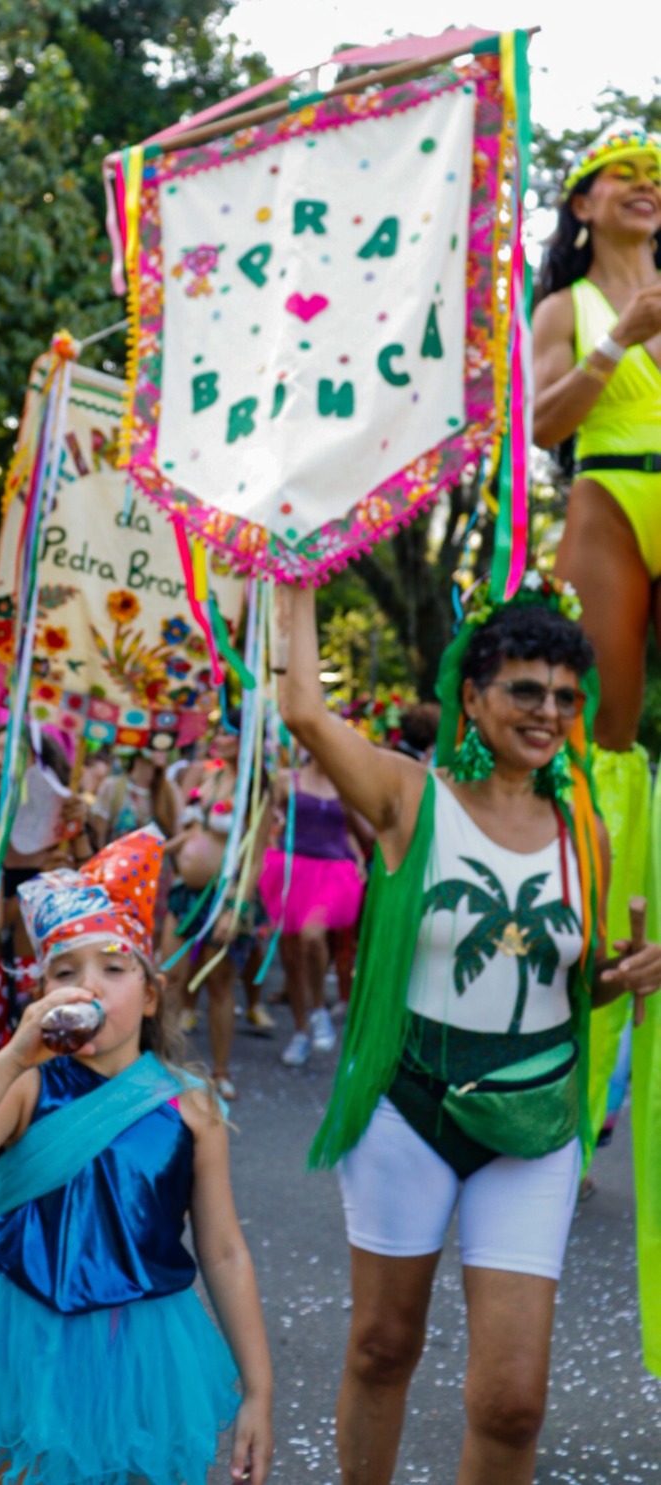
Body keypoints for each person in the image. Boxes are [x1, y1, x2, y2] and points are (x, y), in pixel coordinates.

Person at [277, 574, 661, 1485]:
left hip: (533, 1122)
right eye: (526, 689)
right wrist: (293, 571)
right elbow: (301, 709)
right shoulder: (411, 797)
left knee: (513, 1399)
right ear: (473, 694)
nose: (548, 712)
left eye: (566, 696)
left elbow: (570, 982)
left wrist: (626, 972)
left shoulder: (585, 829)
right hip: (408, 1106)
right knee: (381, 1346)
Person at [0, 827, 274, 1485]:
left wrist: (259, 1389)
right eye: (65, 971)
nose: (90, 986)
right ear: (41, 990)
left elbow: (222, 1250)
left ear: (152, 992)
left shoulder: (190, 1107)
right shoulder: (27, 1085)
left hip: (142, 1342)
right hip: (28, 1329)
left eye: (114, 965)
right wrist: (13, 1054)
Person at [532, 122, 661, 1362]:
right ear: (584, 199)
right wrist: (626, 337)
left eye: (660, 176)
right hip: (610, 487)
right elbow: (541, 418)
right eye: (629, 168)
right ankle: (586, 1072)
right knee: (603, 748)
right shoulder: (569, 300)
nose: (647, 185)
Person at [0, 723, 91, 1300]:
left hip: (48, 997)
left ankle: (39, 1278)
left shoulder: (64, 828)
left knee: (47, 1138)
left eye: (12, 752)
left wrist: (77, 841)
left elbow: (89, 919)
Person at [161, 713, 272, 1098]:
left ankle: (221, 1072)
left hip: (223, 897)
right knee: (169, 978)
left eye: (228, 732)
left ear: (247, 739)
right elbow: (193, 830)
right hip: (184, 895)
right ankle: (166, 1066)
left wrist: (234, 908)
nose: (218, 737)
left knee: (219, 984)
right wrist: (152, 848)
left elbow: (255, 858)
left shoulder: (256, 789)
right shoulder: (208, 776)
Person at [258, 753, 365, 1069]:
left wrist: (358, 857)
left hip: (332, 870)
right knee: (291, 957)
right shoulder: (286, 780)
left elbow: (348, 829)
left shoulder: (345, 783)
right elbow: (266, 820)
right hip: (291, 869)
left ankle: (317, 1008)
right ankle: (301, 1030)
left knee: (312, 936)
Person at [89, 746, 179, 849]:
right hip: (117, 862)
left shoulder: (170, 791)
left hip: (157, 863)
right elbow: (98, 838)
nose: (162, 747)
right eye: (155, 741)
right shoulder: (112, 786)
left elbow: (177, 835)